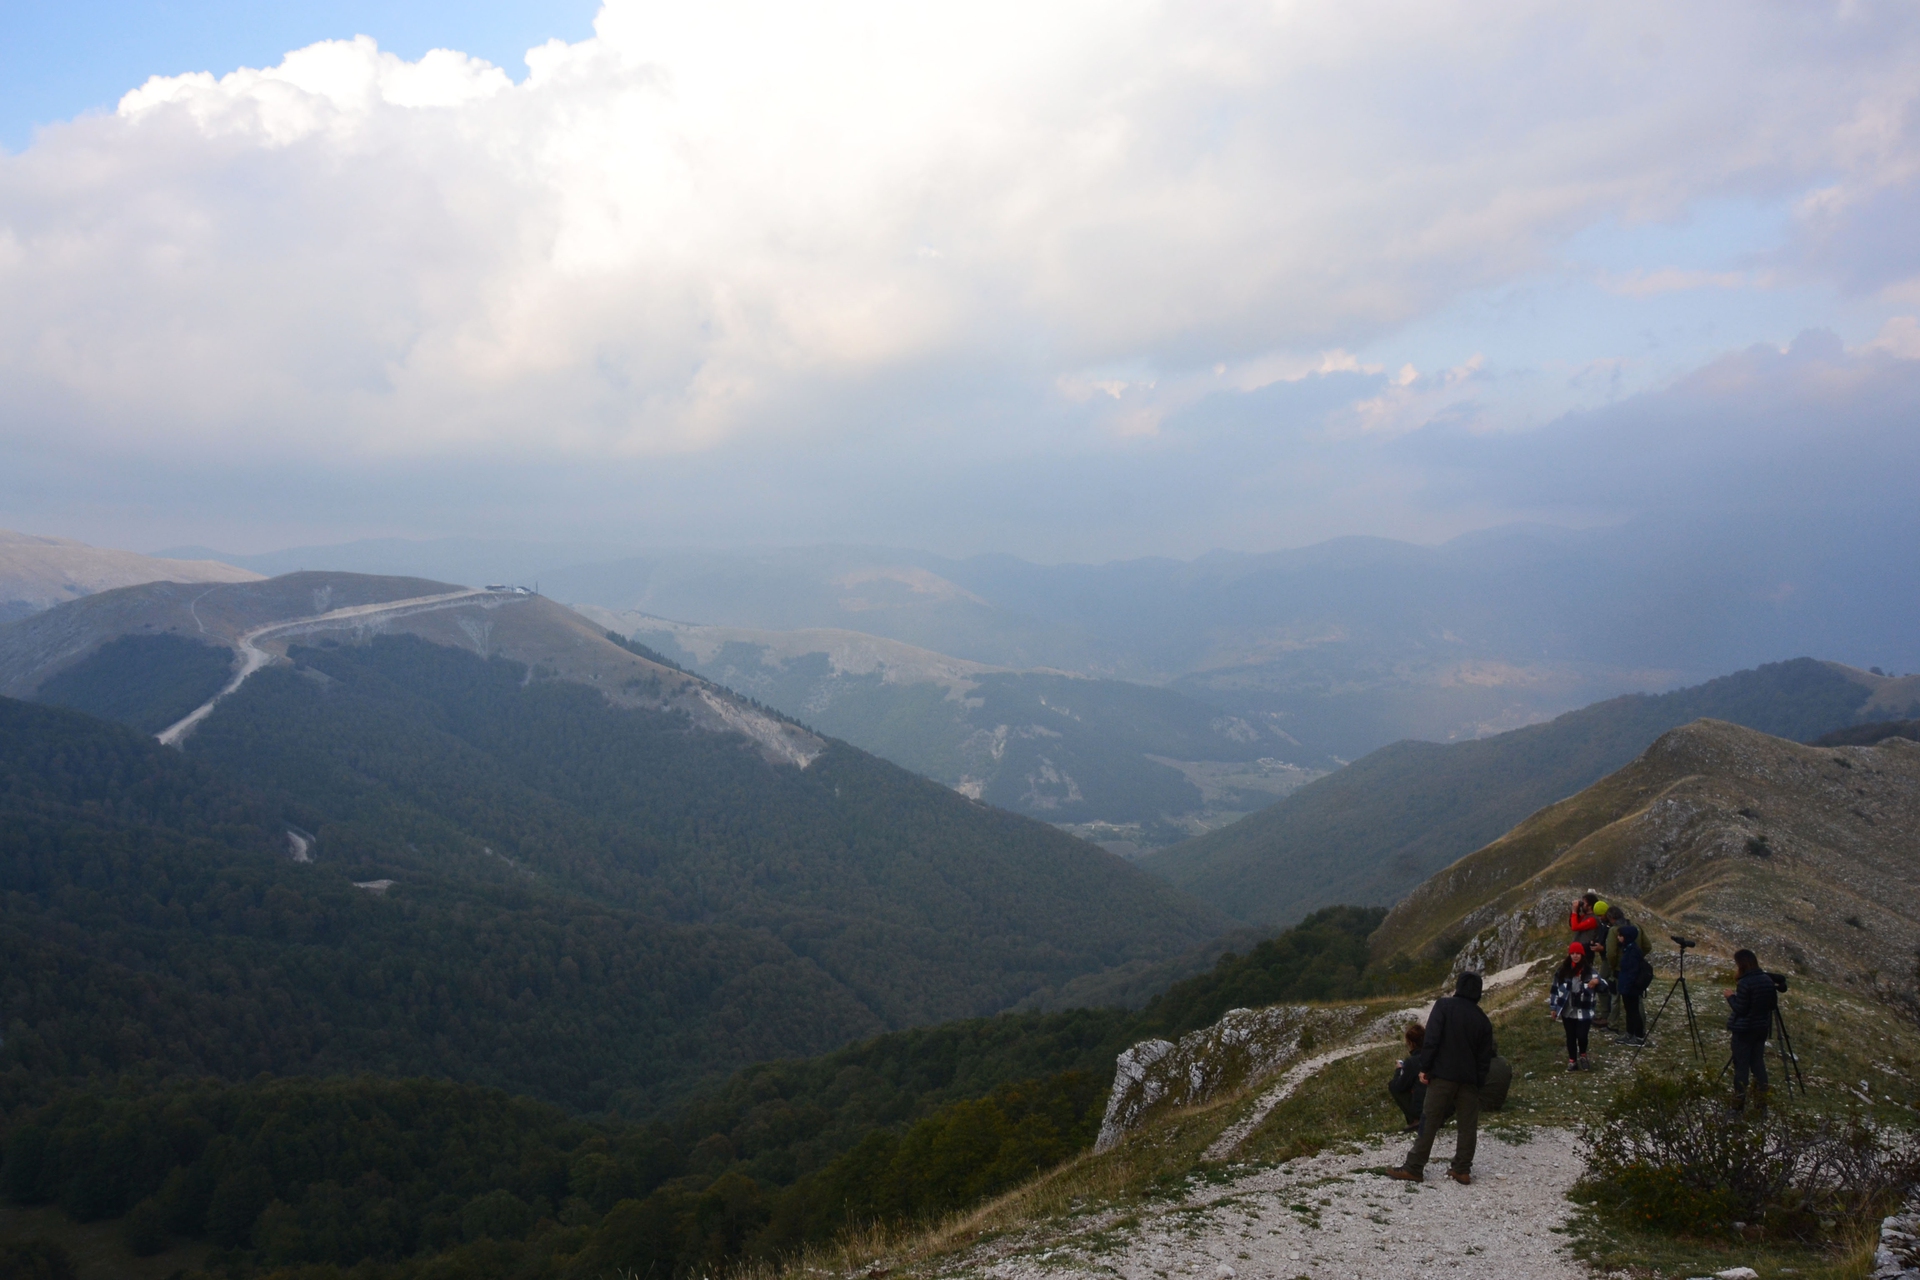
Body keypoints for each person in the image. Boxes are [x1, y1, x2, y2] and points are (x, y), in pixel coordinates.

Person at [1388, 971, 1496, 1186]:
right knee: (1467, 1126)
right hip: (1469, 1079)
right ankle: (1462, 1169)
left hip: (1443, 1075)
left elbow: (1432, 1039)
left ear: (1459, 987)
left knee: (1429, 1120)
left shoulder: (1444, 1006)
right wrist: (1478, 1081)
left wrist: (1425, 1068)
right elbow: (1485, 1057)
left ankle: (1414, 1167)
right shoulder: (1483, 1020)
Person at [1725, 948, 1777, 1115]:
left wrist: (1730, 997)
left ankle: (1738, 1106)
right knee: (1758, 1065)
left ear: (1741, 965)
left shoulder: (1745, 983)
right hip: (1761, 1029)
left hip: (1744, 1030)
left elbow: (1740, 1009)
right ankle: (1762, 1106)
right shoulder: (1767, 980)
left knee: (1741, 1068)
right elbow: (1772, 1005)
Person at [1550, 943, 1599, 1070]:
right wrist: (1553, 1007)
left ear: (1582, 955)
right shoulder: (1562, 971)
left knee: (1582, 1035)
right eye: (1572, 953)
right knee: (1570, 1036)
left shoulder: (1590, 972)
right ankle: (1572, 1061)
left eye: (1578, 953)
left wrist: (1597, 982)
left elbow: (1604, 986)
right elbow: (1554, 989)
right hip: (1567, 1010)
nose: (1575, 956)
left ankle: (1583, 1055)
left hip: (1585, 1010)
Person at [1606, 923, 1650, 1044]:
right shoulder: (1628, 949)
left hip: (1630, 987)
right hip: (1627, 986)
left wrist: (1626, 987)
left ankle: (1638, 1036)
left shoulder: (1633, 952)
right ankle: (1630, 1033)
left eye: (1620, 935)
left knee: (1633, 1011)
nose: (1618, 937)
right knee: (1629, 1011)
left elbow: (1631, 972)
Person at [1386, 1022, 1428, 1130]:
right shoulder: (1434, 1056)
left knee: (1392, 1085)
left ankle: (1416, 1119)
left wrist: (1399, 1070)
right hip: (1441, 1105)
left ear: (1410, 1042)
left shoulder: (1412, 1062)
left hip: (1422, 1107)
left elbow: (1398, 1086)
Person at [1593, 904, 1623, 1029]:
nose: (1600, 918)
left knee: (1602, 984)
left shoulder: (1613, 928)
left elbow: (1612, 950)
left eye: (1601, 915)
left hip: (1611, 962)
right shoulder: (1606, 925)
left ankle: (1607, 1017)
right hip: (1612, 961)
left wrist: (1602, 949)